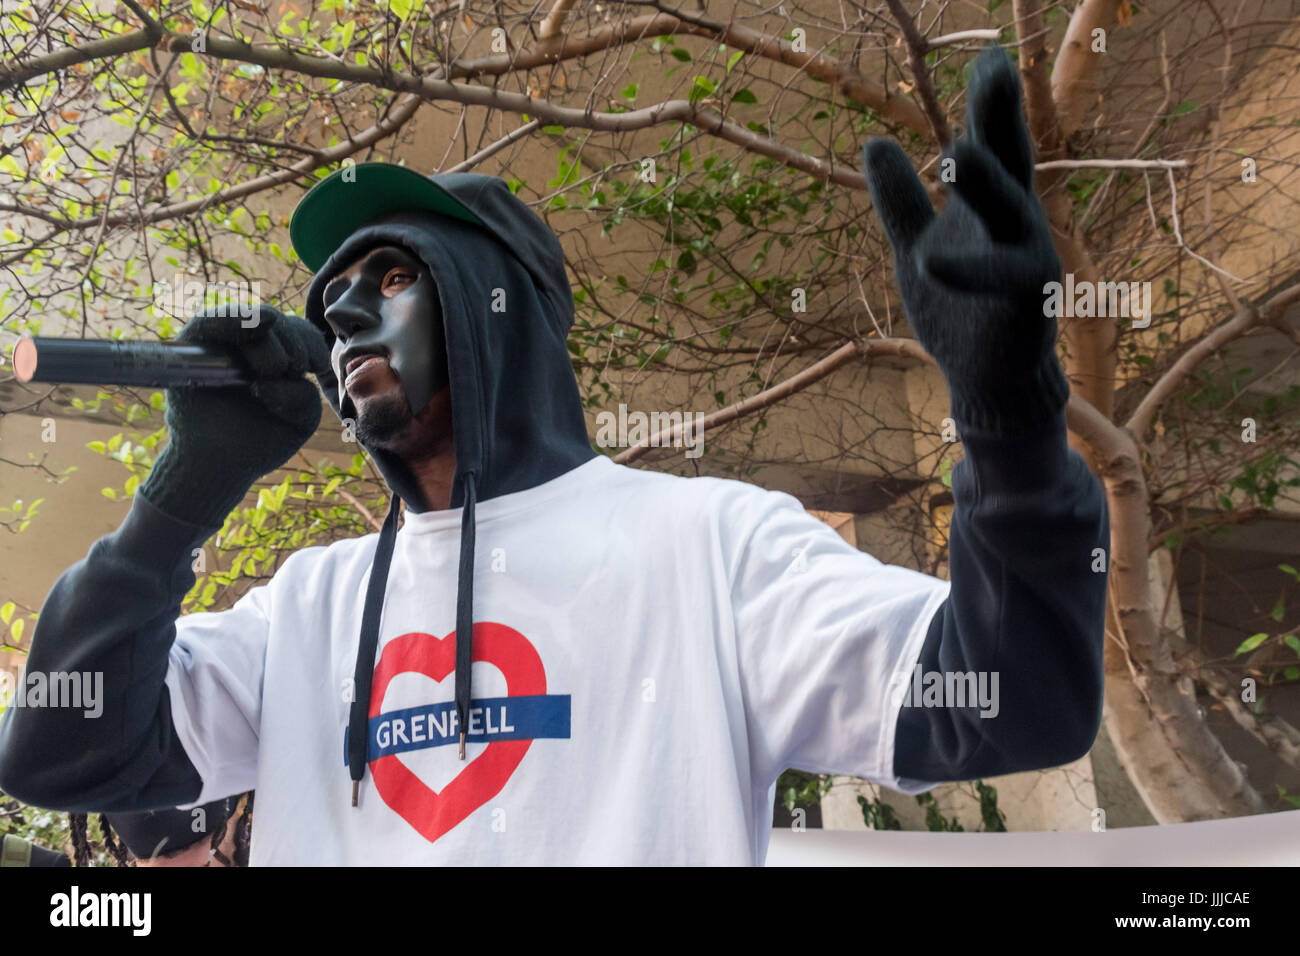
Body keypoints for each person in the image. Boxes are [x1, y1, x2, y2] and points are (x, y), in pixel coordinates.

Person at [0, 47, 1107, 863]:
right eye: (332, 301)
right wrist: (178, 501)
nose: (344, 316)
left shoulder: (714, 548)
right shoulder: (305, 607)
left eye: (391, 278)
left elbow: (1018, 696)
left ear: (502, 309)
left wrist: (1008, 417)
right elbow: (58, 750)